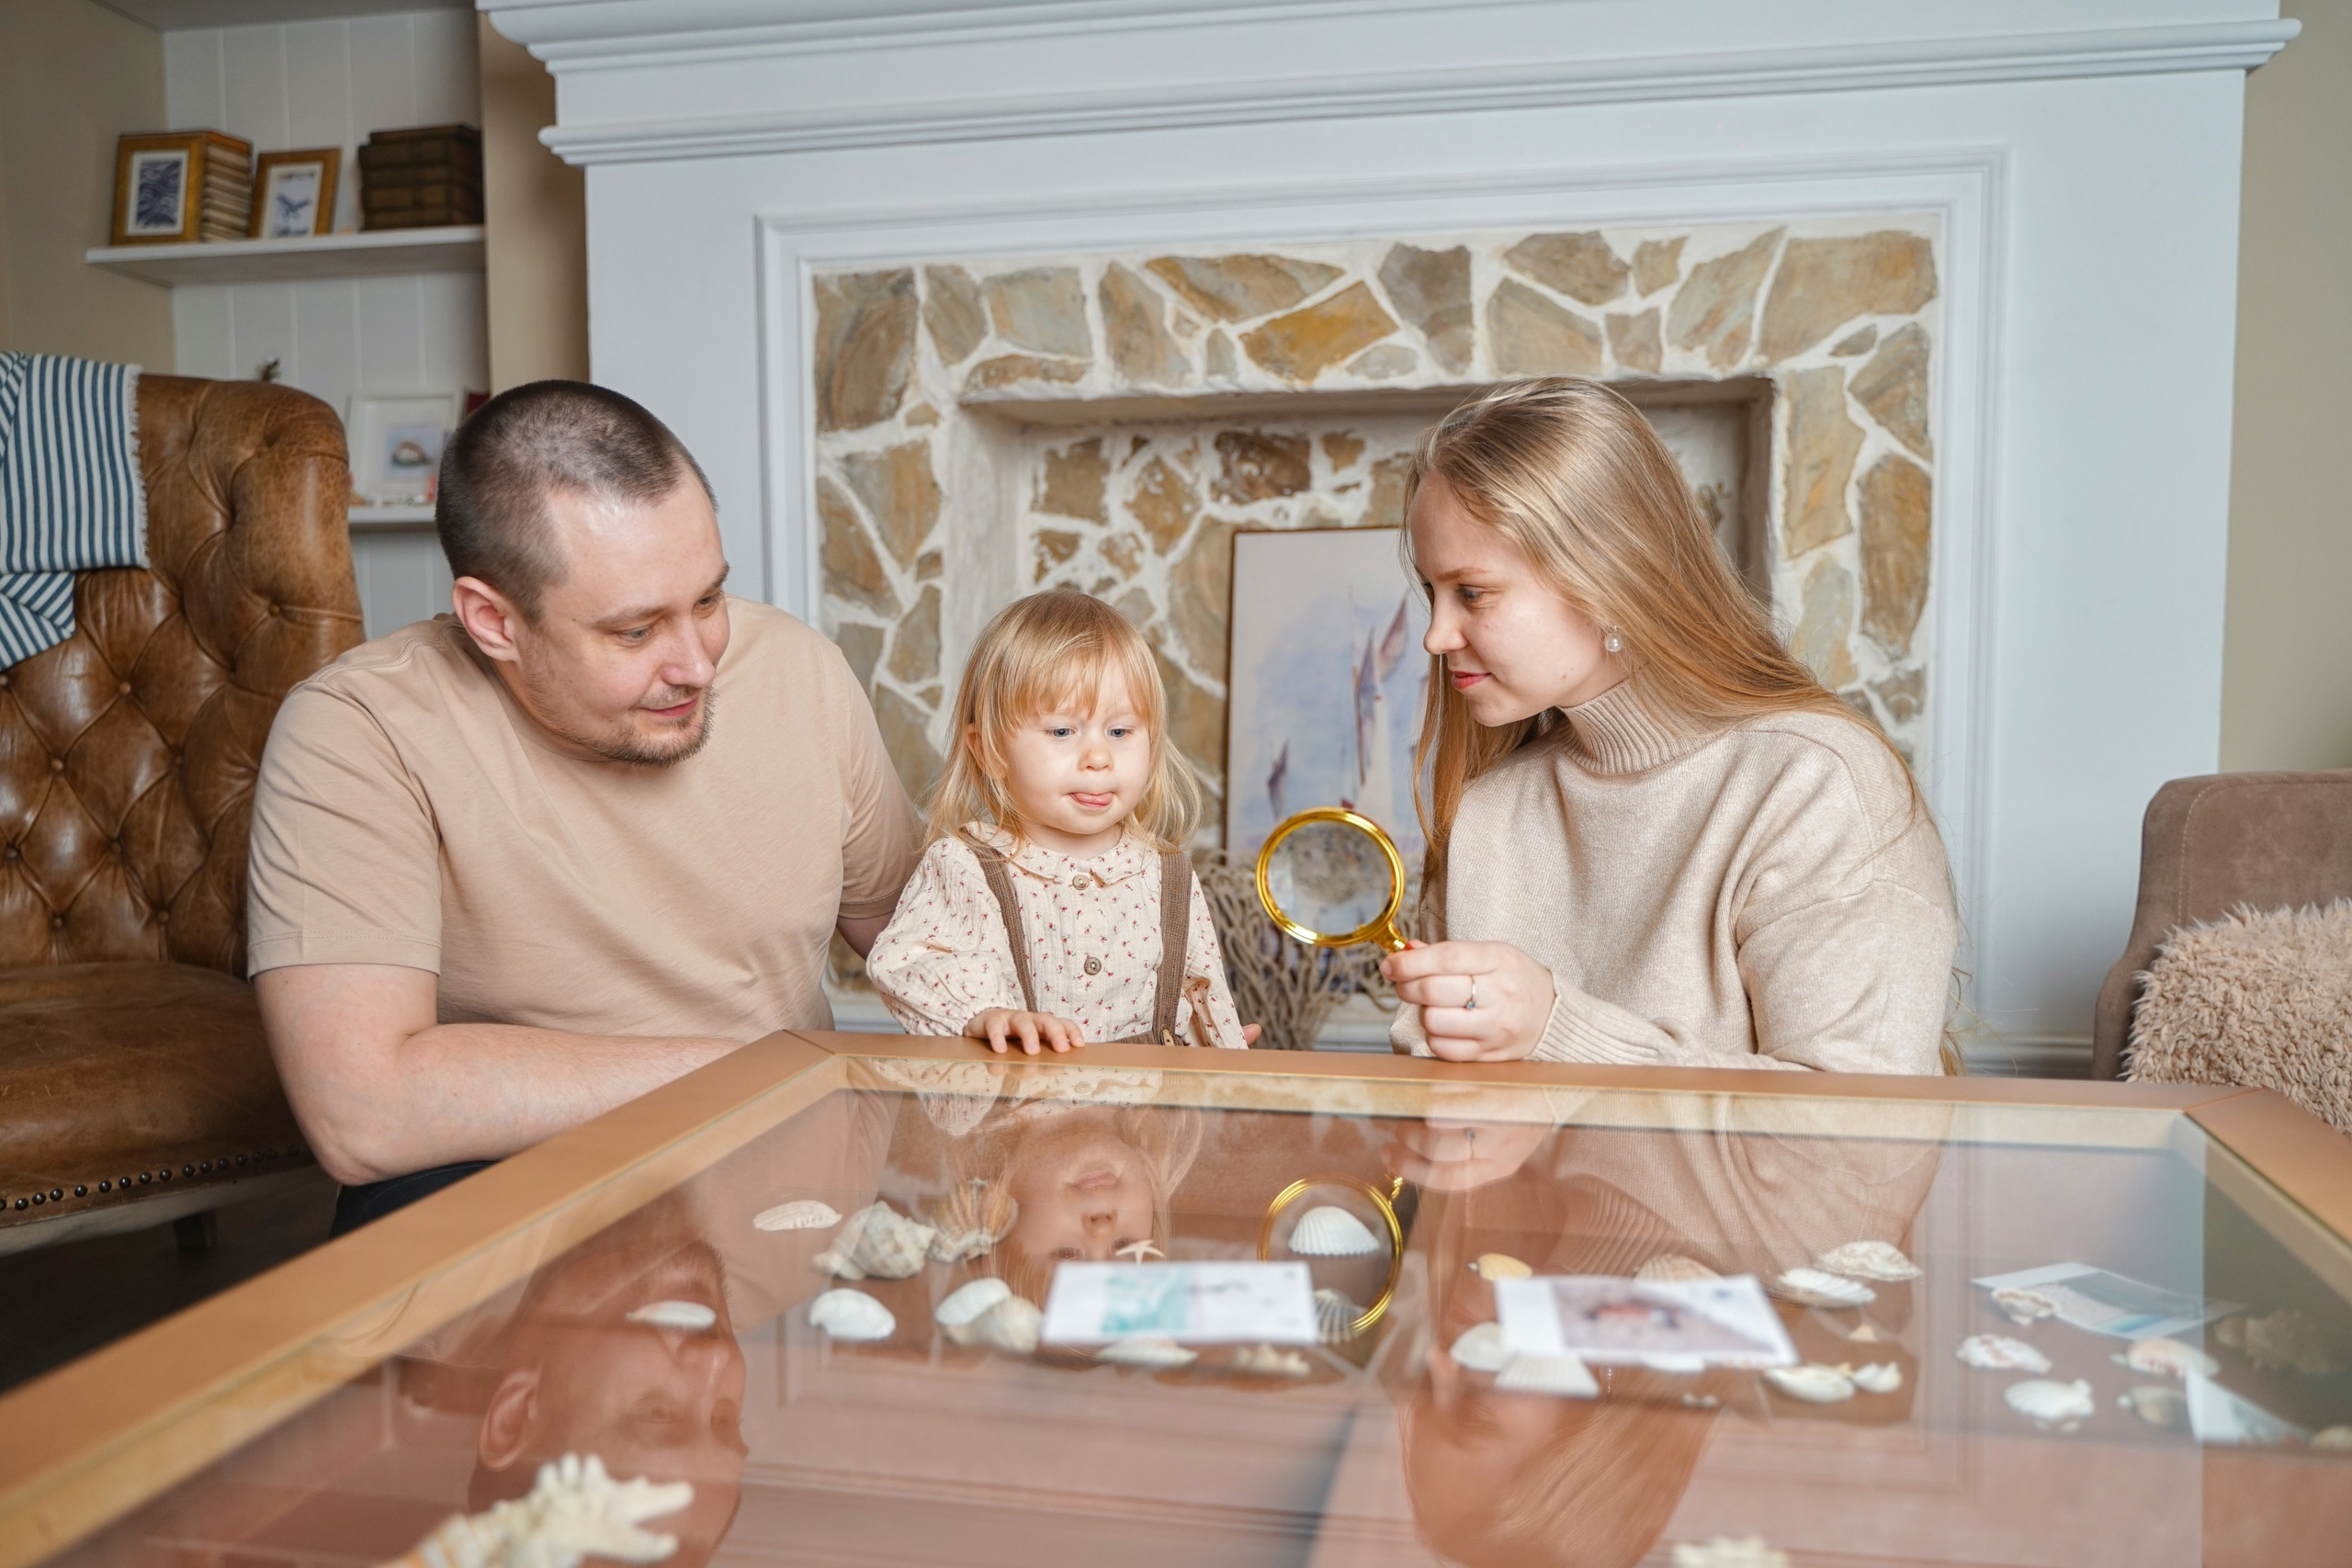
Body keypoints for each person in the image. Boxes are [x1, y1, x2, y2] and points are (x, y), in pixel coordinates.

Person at [247, 380, 922, 1232]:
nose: (699, 664)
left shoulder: (798, 669)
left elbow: (929, 946)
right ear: (494, 621)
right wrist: (755, 1067)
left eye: (708, 599)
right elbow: (361, 1110)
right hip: (513, 1208)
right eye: (636, 632)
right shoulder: (358, 730)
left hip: (787, 1173)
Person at [1383, 378, 1958, 1072]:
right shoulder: (1486, 813)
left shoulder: (1815, 786)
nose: (1436, 635)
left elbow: (1861, 1134)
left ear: (1607, 577)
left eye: (1471, 593)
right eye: (1432, 593)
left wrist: (1558, 1032)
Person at [864, 590, 1250, 1055]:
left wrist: (1223, 1060)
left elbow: (1204, 998)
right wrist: (986, 1014)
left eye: (1120, 731)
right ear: (989, 750)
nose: (1098, 757)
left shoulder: (1167, 874)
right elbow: (910, 961)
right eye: (1063, 731)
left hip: (1148, 1123)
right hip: (1022, 1115)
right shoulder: (966, 868)